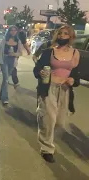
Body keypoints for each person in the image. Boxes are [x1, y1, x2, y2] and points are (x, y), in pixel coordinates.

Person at [33, 25, 80, 163]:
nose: (61, 36)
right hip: (49, 88)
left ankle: (46, 132)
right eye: (60, 33)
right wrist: (40, 72)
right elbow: (37, 68)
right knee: (49, 120)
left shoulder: (75, 53)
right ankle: (47, 149)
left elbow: (77, 74)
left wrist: (73, 80)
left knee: (59, 122)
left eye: (65, 34)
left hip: (65, 90)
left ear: (71, 37)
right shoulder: (49, 52)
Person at [0, 25, 23, 105]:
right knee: (5, 79)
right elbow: (0, 52)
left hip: (12, 60)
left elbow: (20, 52)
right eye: (11, 30)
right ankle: (5, 98)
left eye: (15, 30)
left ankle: (1, 95)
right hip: (4, 59)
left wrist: (14, 54)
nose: (13, 32)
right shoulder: (4, 40)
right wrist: (0, 62)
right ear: (9, 31)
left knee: (6, 79)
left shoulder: (18, 41)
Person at [11, 23, 31, 88]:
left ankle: (15, 81)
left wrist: (28, 50)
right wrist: (28, 50)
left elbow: (24, 43)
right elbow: (24, 43)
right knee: (12, 66)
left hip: (13, 52)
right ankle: (15, 81)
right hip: (14, 52)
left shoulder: (13, 33)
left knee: (12, 66)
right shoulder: (21, 33)